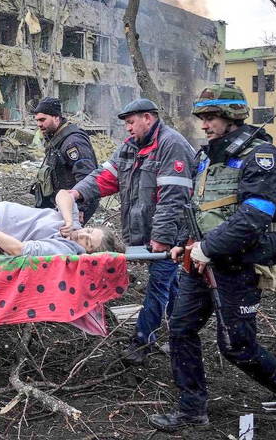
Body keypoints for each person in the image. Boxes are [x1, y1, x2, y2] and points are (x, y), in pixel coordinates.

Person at [149, 84, 276, 431]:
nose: (204, 124)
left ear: (232, 117)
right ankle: (191, 411)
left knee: (237, 347)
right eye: (202, 117)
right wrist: (183, 243)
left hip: (237, 265)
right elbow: (198, 208)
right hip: (199, 263)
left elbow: (255, 214)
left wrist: (208, 248)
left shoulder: (261, 156)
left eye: (211, 117)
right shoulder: (206, 156)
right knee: (181, 329)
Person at [68, 98, 195, 364]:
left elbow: (173, 197)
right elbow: (105, 177)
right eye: (126, 123)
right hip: (146, 234)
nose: (127, 128)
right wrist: (77, 192)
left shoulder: (172, 146)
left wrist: (161, 238)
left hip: (171, 234)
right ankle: (181, 333)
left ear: (148, 118)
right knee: (171, 284)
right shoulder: (130, 148)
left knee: (159, 284)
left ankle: (141, 341)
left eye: (131, 122)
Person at [30, 96, 100, 223]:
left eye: (42, 120)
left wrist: (80, 208)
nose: (39, 124)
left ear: (56, 117)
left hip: (73, 204)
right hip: (61, 203)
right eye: (37, 120)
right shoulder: (56, 138)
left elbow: (86, 176)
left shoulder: (73, 142)